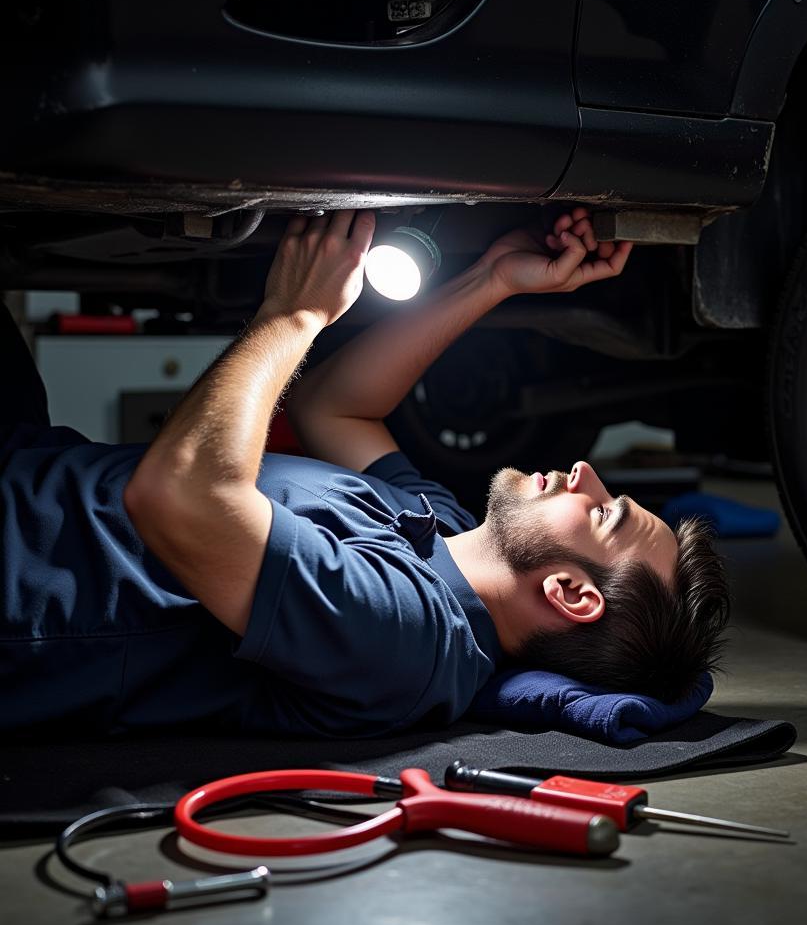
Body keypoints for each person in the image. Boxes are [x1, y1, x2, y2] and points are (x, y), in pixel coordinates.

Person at [0, 208, 728, 738]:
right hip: (31, 459)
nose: (585, 474)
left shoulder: (405, 639)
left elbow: (177, 497)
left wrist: (292, 314)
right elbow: (335, 409)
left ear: (570, 594)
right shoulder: (441, 534)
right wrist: (495, 278)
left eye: (603, 513)